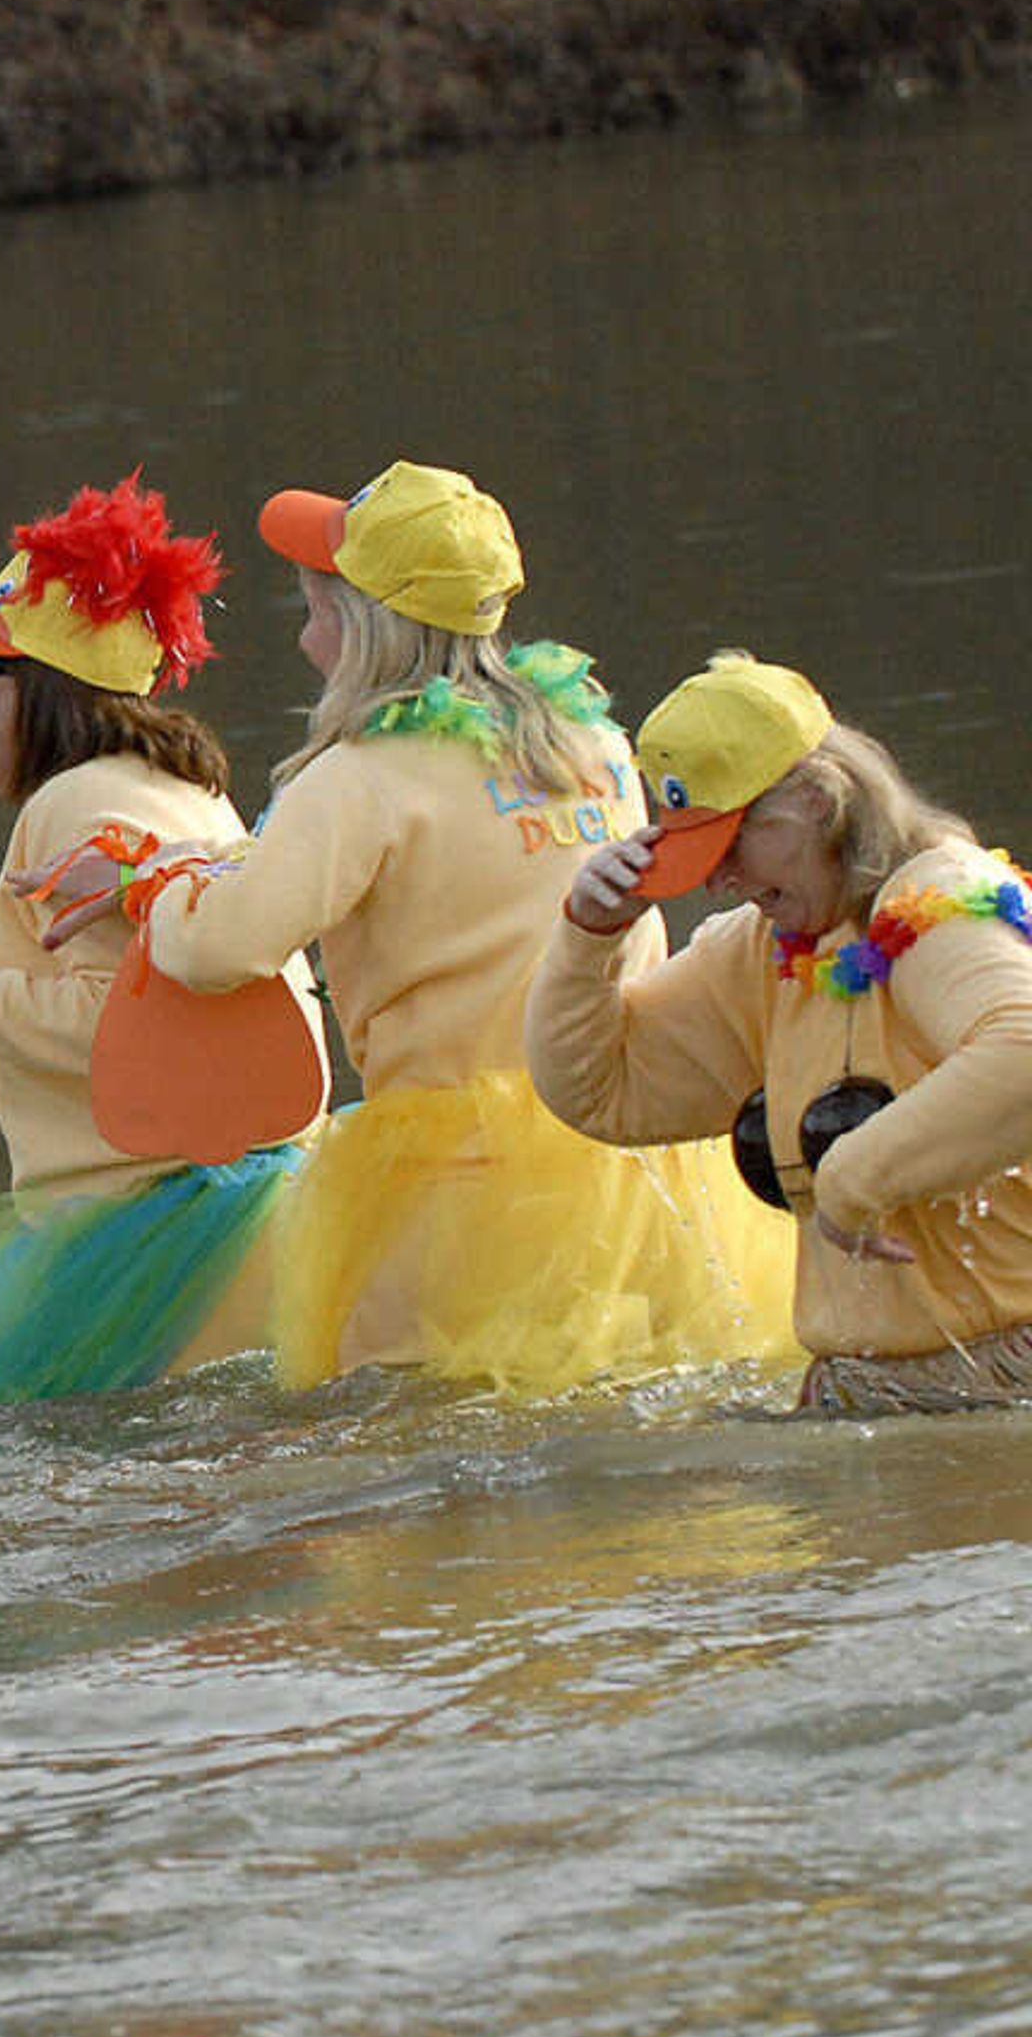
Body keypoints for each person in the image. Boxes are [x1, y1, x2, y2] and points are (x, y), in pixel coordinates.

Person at [40, 460, 791, 1391]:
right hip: (628, 1146)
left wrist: (152, 889)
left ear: (361, 628)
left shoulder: (357, 777)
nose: (305, 635)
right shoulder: (590, 741)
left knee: (431, 1447)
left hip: (458, 1186)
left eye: (315, 609)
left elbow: (225, 947)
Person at [0, 479, 318, 1405]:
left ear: (39, 692)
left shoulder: (79, 802)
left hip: (153, 1240)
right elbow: (134, 967)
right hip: (221, 1210)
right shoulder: (171, 784)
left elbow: (125, 1021)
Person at [527, 656, 1032, 1413]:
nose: (716, 880)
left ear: (819, 803)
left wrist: (853, 1181)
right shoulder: (771, 953)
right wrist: (584, 939)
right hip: (863, 1395)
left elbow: (1022, 1049)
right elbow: (604, 1092)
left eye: (729, 845)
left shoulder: (943, 903)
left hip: (1000, 1386)